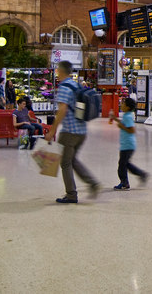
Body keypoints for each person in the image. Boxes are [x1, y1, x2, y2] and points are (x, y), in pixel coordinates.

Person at [45, 60, 101, 204]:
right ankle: (92, 182)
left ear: (60, 71)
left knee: (65, 163)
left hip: (69, 132)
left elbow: (62, 110)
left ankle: (71, 194)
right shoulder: (76, 85)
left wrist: (52, 131)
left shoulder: (64, 87)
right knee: (72, 160)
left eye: (57, 69)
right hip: (81, 131)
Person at [110, 97, 148, 190]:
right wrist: (115, 118)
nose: (121, 105)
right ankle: (137, 176)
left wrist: (121, 126)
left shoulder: (127, 116)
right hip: (126, 144)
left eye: (123, 104)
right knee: (125, 164)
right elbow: (124, 123)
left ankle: (125, 182)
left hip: (127, 145)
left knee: (122, 165)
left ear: (127, 107)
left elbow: (131, 130)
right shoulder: (128, 114)